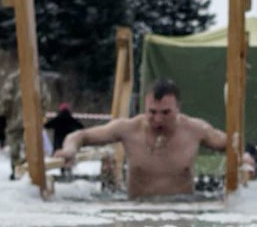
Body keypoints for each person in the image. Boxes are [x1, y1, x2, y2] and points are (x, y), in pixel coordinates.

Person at [56, 79, 230, 198]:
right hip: (137, 212)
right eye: (152, 112)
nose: (158, 119)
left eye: (166, 112)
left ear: (178, 108)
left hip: (182, 211)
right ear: (145, 108)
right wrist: (69, 150)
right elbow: (80, 136)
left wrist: (242, 157)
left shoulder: (195, 129)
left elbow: (228, 144)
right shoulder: (129, 129)